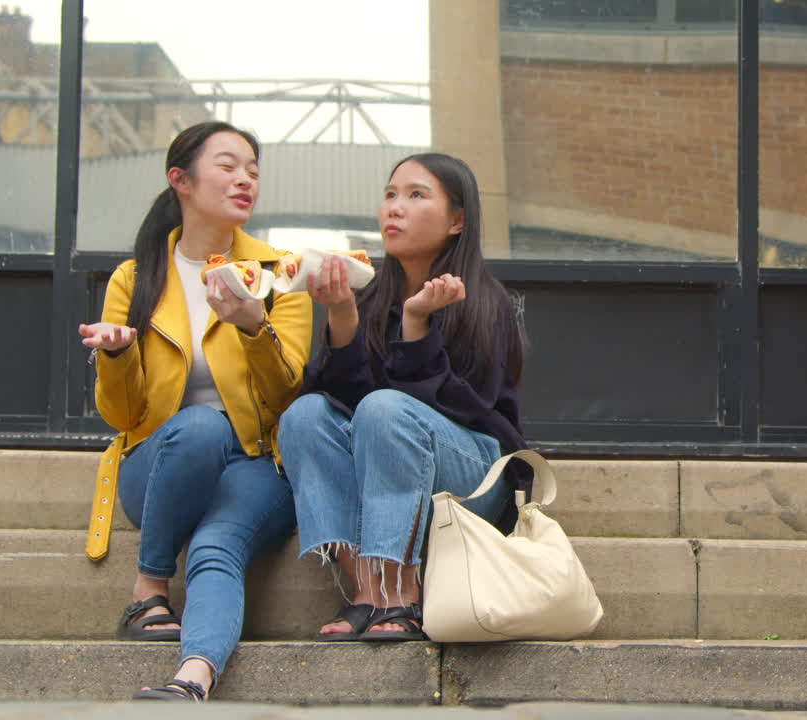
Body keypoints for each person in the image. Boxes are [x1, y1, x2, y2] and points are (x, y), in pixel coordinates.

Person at [78, 121, 312, 701]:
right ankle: (149, 584)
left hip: (257, 463)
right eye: (229, 166)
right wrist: (118, 356)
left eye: (254, 170)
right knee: (201, 427)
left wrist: (254, 327)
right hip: (160, 467)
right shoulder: (135, 279)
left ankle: (193, 679)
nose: (245, 180)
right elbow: (122, 415)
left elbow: (288, 393)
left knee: (215, 548)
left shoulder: (281, 275)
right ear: (179, 180)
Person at [278, 152, 526, 641]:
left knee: (386, 408)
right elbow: (346, 408)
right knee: (305, 415)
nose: (395, 207)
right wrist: (343, 317)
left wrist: (417, 328)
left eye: (416, 195)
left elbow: (467, 410)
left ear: (457, 220)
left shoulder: (484, 301)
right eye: (390, 194)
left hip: (474, 476)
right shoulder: (368, 295)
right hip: (392, 463)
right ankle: (368, 590)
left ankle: (402, 591)